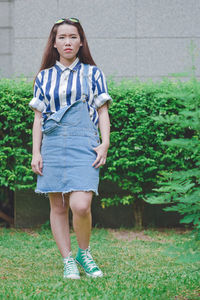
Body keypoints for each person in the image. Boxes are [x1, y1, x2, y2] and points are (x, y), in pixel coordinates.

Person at [29, 17, 112, 279]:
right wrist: (36, 152)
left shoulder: (93, 73)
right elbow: (39, 118)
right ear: (54, 43)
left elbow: (102, 111)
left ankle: (83, 253)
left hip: (84, 142)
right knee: (58, 207)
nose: (67, 42)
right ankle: (68, 260)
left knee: (81, 205)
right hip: (52, 144)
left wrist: (105, 143)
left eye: (73, 37)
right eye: (62, 37)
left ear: (81, 41)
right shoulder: (43, 77)